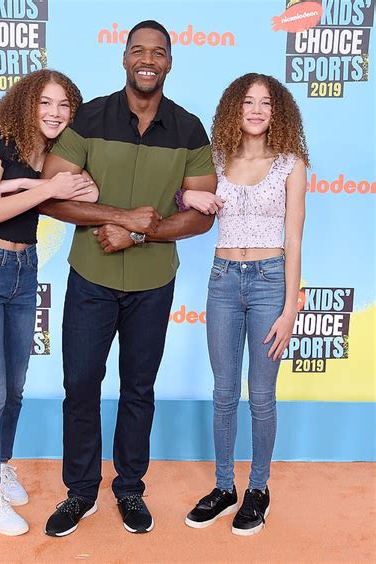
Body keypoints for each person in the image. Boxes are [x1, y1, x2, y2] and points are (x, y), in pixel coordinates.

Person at [38, 20, 219, 536]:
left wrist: (139, 234)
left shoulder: (189, 129)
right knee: (80, 386)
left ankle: (130, 489)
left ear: (169, 62)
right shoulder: (89, 117)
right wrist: (122, 216)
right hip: (90, 279)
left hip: (153, 284)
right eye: (138, 50)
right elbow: (52, 194)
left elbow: (203, 215)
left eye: (157, 52)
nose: (147, 59)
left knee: (139, 389)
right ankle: (80, 493)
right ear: (123, 58)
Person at [0, 69, 98, 536]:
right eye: (45, 103)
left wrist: (27, 188)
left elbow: (88, 192)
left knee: (15, 386)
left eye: (64, 106)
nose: (55, 113)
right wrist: (44, 190)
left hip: (26, 270)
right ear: (26, 104)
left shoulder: (54, 153)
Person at [183, 73, 308, 535]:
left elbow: (293, 240)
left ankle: (257, 488)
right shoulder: (216, 160)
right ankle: (223, 487)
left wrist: (291, 308)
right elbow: (186, 198)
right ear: (235, 108)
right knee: (222, 393)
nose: (256, 109)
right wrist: (184, 193)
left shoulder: (292, 164)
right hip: (222, 279)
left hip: (269, 281)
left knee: (261, 395)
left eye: (266, 103)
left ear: (278, 112)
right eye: (248, 101)